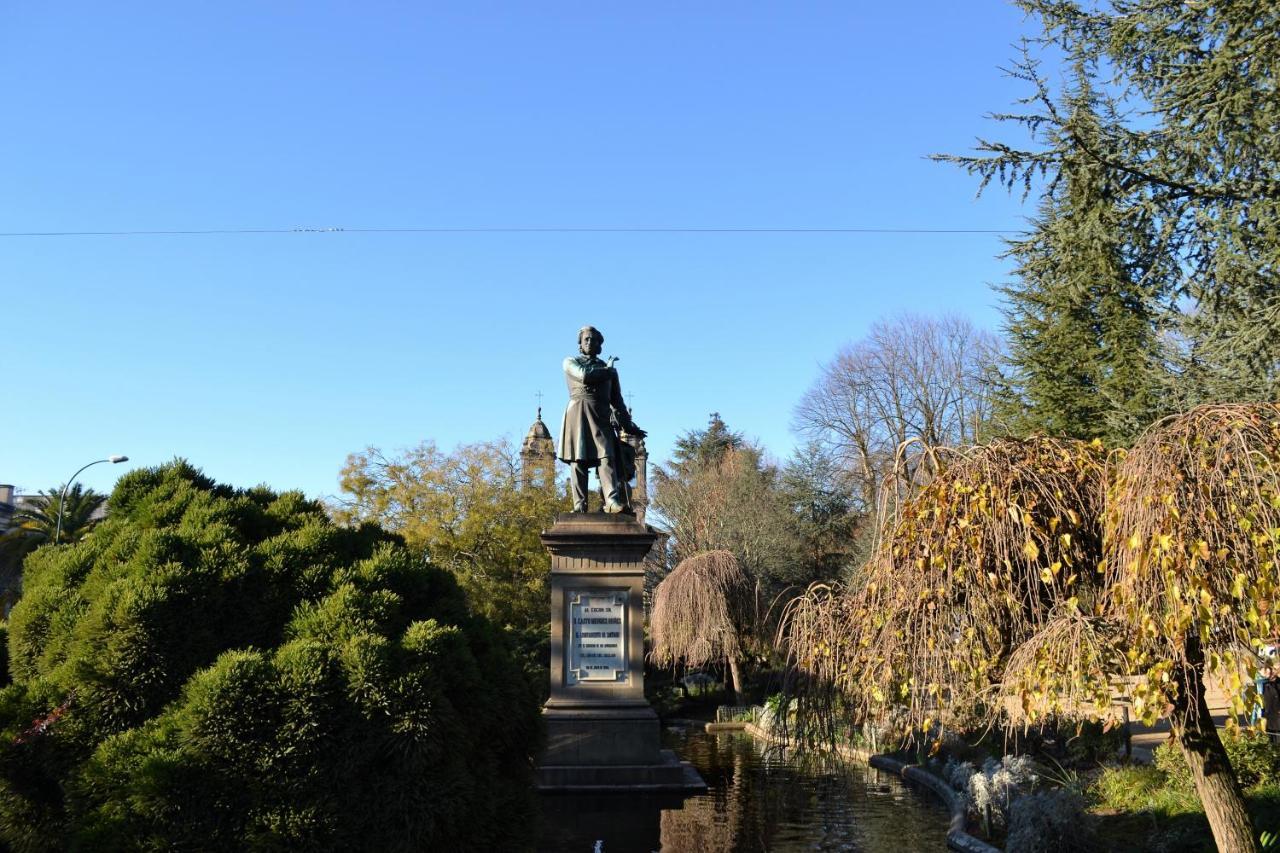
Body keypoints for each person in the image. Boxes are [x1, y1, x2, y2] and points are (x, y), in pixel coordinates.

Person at [558, 325, 645, 513]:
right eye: (586, 339)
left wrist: (629, 426)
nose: (590, 342)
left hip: (601, 416)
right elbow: (584, 375)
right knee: (578, 461)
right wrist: (608, 370)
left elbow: (618, 402)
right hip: (578, 413)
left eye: (594, 340)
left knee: (607, 457)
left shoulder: (610, 372)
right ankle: (580, 505)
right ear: (580, 344)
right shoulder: (570, 361)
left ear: (600, 345)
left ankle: (612, 501)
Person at [1263, 667, 1280, 743]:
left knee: (1277, 738)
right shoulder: (1265, 684)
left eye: (1269, 673)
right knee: (1271, 739)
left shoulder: (1278, 684)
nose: (1267, 674)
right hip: (1269, 717)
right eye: (1266, 673)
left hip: (1277, 717)